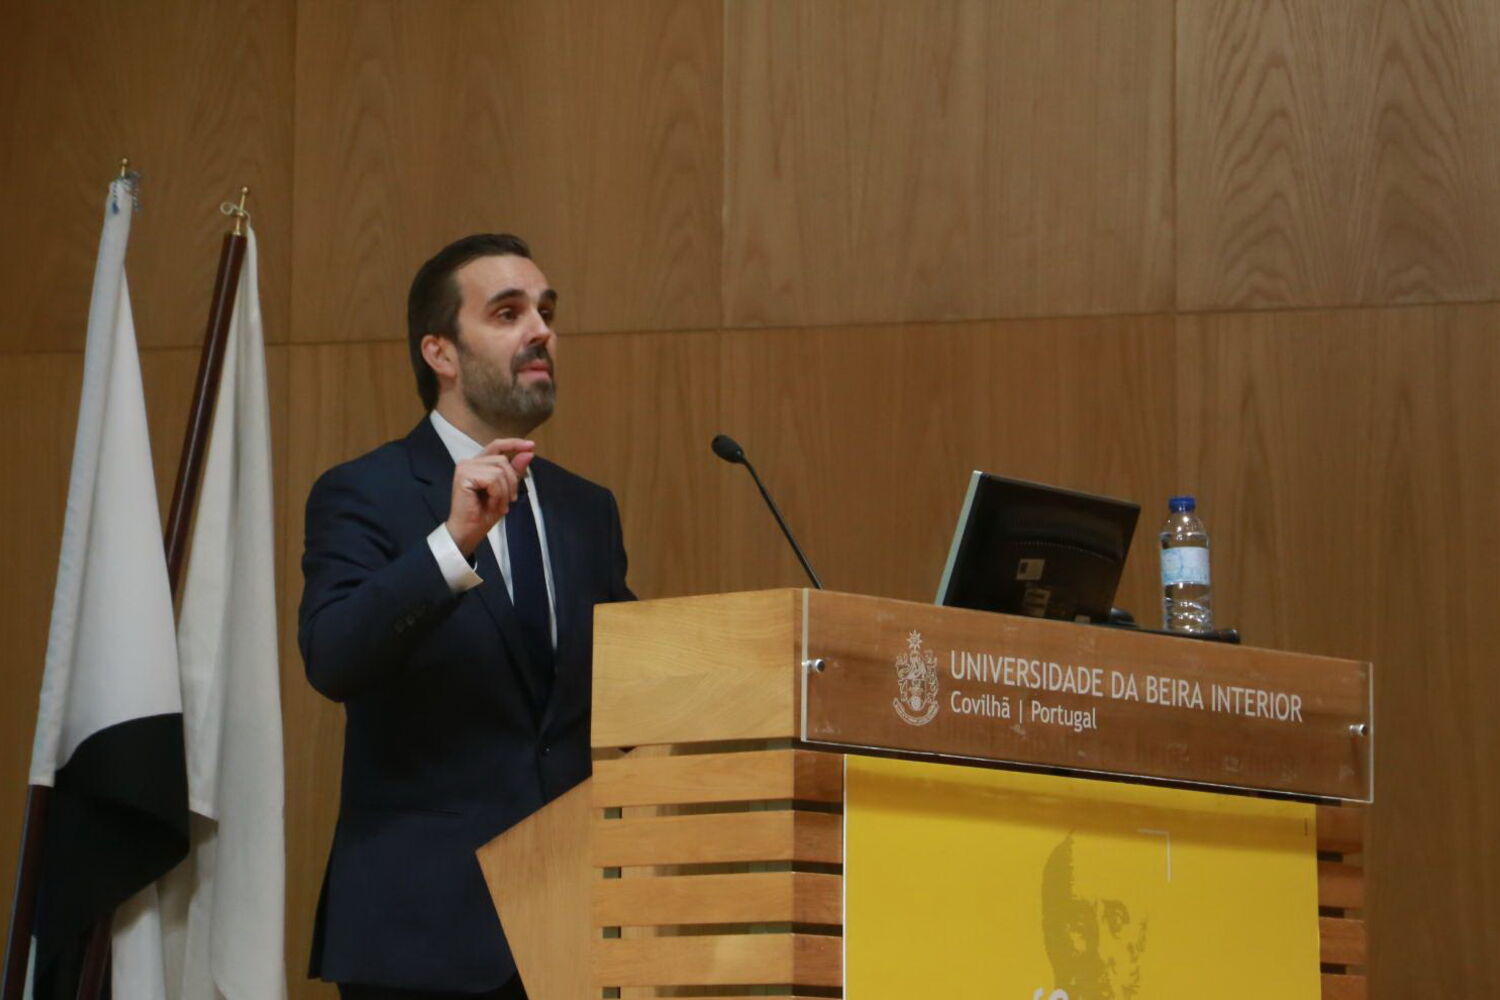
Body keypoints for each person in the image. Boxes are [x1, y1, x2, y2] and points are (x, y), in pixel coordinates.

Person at [298, 233, 633, 998]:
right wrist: (451, 544)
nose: (541, 331)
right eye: (508, 313)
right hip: (423, 939)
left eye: (546, 312)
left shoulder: (586, 510)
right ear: (440, 353)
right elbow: (334, 657)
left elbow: (621, 680)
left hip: (573, 934)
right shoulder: (365, 492)